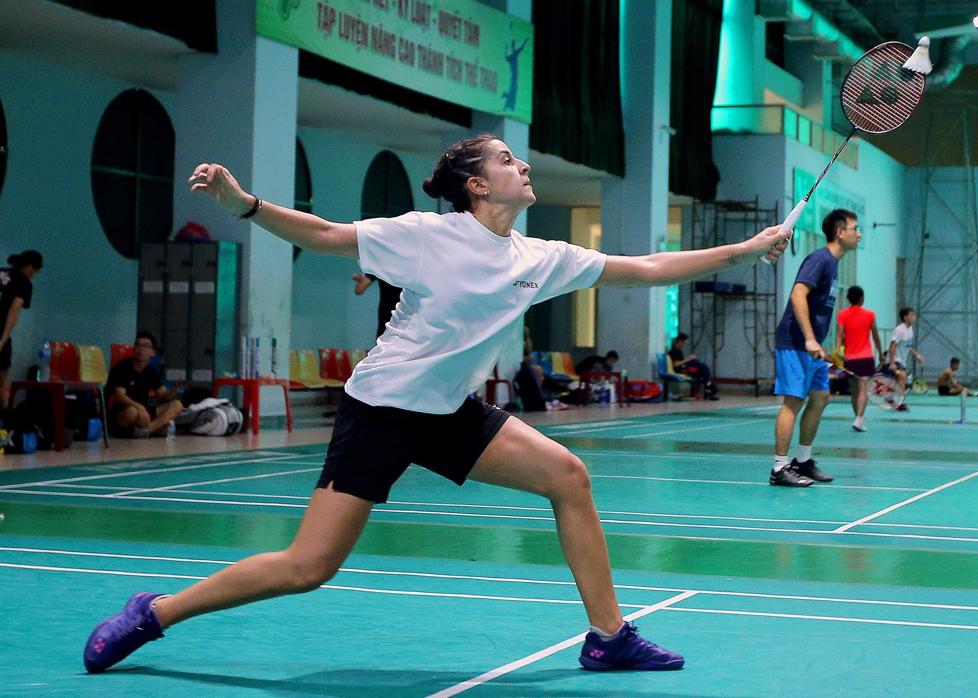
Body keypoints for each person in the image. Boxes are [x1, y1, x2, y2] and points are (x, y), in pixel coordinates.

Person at [83, 133, 789, 674]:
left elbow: (646, 269)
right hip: (383, 408)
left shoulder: (537, 257)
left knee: (567, 476)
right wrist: (246, 205)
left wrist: (744, 249)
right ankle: (155, 613)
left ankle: (608, 638)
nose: (524, 168)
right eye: (510, 161)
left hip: (449, 412)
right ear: (478, 184)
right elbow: (328, 236)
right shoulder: (423, 236)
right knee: (309, 567)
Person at [769, 209, 860, 487]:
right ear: (840, 232)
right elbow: (798, 293)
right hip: (795, 341)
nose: (859, 234)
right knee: (793, 401)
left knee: (820, 398)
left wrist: (818, 342)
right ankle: (779, 467)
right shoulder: (819, 259)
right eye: (855, 228)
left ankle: (803, 460)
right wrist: (809, 338)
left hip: (812, 345)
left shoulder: (833, 265)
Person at [105, 331, 185, 437]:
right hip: (122, 412)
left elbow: (165, 396)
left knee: (177, 405)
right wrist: (140, 408)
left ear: (152, 352)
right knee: (132, 412)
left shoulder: (151, 371)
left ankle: (147, 431)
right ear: (134, 349)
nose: (141, 349)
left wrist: (175, 388)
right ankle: (152, 428)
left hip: (143, 412)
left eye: (146, 346)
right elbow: (119, 396)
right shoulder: (123, 367)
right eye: (138, 345)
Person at [835, 285, 884, 433]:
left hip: (849, 359)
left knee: (855, 391)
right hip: (865, 357)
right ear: (861, 298)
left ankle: (857, 418)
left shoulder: (842, 314)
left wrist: (838, 351)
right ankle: (859, 419)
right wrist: (881, 352)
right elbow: (875, 335)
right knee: (863, 389)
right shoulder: (870, 315)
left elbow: (839, 334)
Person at [0, 250, 43, 405]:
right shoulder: (24, 283)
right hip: (1, 331)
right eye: (35, 271)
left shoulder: (2, 272)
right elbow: (13, 310)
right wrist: (3, 339)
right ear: (31, 267)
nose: (34, 275)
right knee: (2, 380)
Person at [886, 307, 923, 411]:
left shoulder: (910, 330)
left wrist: (917, 355)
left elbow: (908, 346)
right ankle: (901, 402)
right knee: (902, 377)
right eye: (912, 315)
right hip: (895, 360)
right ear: (905, 317)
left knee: (900, 380)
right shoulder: (899, 329)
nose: (914, 317)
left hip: (903, 361)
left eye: (914, 315)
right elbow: (892, 345)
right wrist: (892, 362)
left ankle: (891, 397)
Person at [351, 272, 404, 340]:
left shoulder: (383, 265)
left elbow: (359, 289)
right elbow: (359, 289)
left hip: (389, 319)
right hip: (411, 317)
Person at [668, 332, 717, 399]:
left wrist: (690, 359)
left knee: (700, 369)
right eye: (683, 342)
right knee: (702, 366)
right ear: (680, 341)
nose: (684, 344)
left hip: (683, 368)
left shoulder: (677, 350)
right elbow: (676, 364)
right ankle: (709, 387)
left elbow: (680, 362)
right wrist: (688, 359)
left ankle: (707, 388)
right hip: (681, 370)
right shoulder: (675, 351)